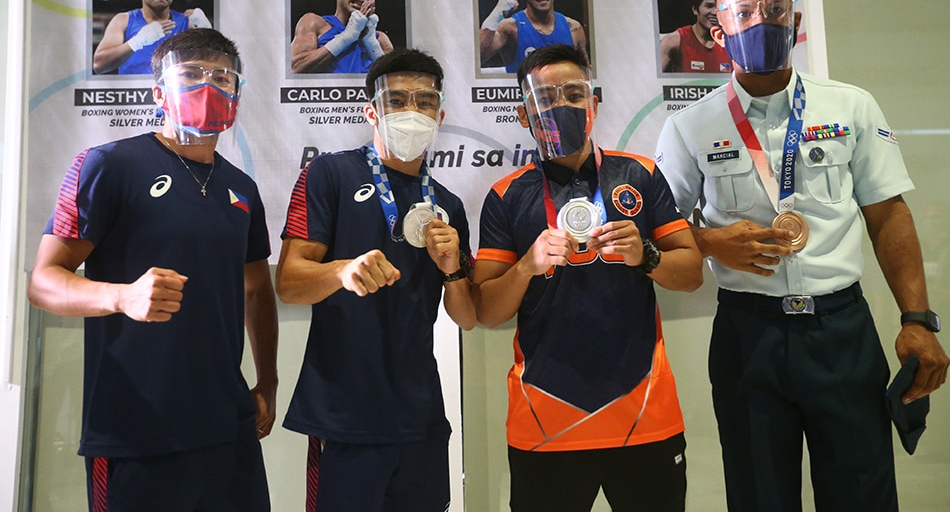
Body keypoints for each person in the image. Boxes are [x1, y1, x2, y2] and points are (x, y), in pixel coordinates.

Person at [655, 0, 949, 512]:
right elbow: (663, 231)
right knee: (759, 496)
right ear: (718, 30)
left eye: (775, 9)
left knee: (862, 492)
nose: (761, 21)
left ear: (794, 22)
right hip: (749, 337)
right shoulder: (690, 125)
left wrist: (917, 320)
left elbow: (889, 214)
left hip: (840, 331)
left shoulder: (850, 105)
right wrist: (715, 242)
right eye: (743, 12)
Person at [28, 28, 278, 512]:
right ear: (159, 90)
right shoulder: (108, 165)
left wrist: (266, 381)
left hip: (227, 424)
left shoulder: (241, 187)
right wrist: (120, 297)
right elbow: (43, 282)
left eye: (223, 78)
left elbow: (255, 290)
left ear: (238, 95)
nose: (209, 85)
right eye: (191, 74)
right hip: (134, 427)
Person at [474, 44, 703, 512]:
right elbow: (487, 312)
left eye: (574, 94)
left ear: (593, 103)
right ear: (523, 114)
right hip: (545, 416)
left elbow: (692, 274)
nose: (562, 106)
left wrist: (647, 255)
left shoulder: (639, 174)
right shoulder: (504, 195)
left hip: (644, 410)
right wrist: (527, 265)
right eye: (545, 97)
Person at [275, 48, 477, 511]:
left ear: (440, 114)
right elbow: (289, 282)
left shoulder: (448, 203)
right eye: (397, 100)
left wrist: (453, 269)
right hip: (345, 414)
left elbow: (466, 317)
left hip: (420, 413)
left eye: (424, 101)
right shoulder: (328, 174)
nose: (412, 111)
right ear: (371, 111)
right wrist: (342, 271)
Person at [93, 0, 212, 75]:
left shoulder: (185, 23)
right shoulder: (123, 21)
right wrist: (137, 42)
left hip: (172, 94)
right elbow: (98, 66)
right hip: (134, 94)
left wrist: (208, 31)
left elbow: (213, 64)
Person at [290, 0, 395, 74]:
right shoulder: (314, 23)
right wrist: (346, 37)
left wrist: (371, 44)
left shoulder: (380, 39)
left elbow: (397, 82)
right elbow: (294, 68)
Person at [479, 0, 588, 73]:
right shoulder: (510, 28)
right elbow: (480, 56)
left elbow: (585, 72)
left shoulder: (573, 28)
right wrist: (497, 14)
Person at [659, 0, 732, 74]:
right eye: (709, 6)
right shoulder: (674, 41)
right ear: (695, 9)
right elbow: (652, 80)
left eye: (719, 7)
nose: (715, 12)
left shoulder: (732, 44)